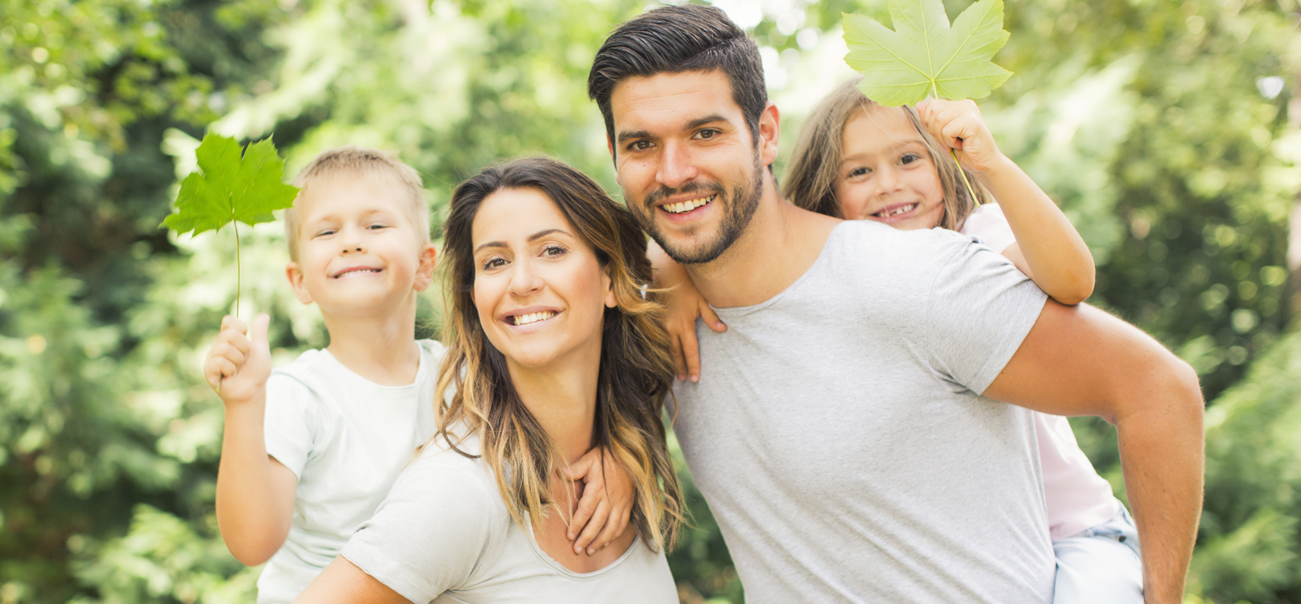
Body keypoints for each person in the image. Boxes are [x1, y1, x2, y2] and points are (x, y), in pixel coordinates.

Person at [587, 5, 1203, 603]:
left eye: (705, 133)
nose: (673, 171)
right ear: (614, 156)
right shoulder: (652, 319)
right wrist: (618, 444)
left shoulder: (911, 277)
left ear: (765, 132)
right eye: (641, 145)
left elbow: (1158, 390)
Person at [659, 78, 1142, 602]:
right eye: (860, 171)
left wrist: (992, 164)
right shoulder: (838, 282)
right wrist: (670, 267)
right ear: (829, 190)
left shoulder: (976, 239)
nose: (888, 184)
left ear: (944, 164)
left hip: (1078, 539)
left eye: (909, 159)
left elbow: (1073, 280)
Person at [203, 148, 633, 604]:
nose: (351, 242)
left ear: (426, 265)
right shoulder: (300, 394)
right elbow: (253, 543)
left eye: (375, 225)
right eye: (327, 231)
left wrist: (615, 456)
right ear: (299, 281)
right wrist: (244, 405)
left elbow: (554, 426)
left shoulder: (461, 374)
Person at [293, 157, 685, 603]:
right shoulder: (459, 490)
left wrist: (624, 450)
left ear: (611, 279)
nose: (520, 282)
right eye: (495, 261)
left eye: (552, 250)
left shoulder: (626, 453)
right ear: (476, 297)